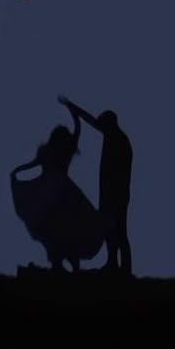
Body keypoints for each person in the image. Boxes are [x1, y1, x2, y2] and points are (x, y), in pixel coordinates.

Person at [10, 109, 109, 271]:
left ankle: (62, 263)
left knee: (60, 230)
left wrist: (18, 172)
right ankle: (65, 264)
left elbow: (33, 163)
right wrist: (74, 115)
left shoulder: (56, 150)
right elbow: (76, 133)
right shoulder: (62, 150)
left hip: (54, 194)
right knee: (66, 230)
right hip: (59, 194)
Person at [58, 96, 134, 275]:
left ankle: (125, 267)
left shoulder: (121, 142)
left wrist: (114, 194)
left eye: (104, 125)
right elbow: (93, 121)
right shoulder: (112, 135)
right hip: (109, 193)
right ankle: (113, 263)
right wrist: (73, 107)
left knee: (120, 230)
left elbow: (121, 172)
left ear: (110, 124)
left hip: (117, 194)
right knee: (109, 229)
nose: (101, 129)